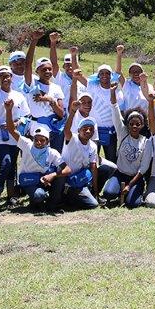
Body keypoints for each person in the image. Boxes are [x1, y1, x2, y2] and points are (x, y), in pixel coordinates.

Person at [0, 50, 30, 209]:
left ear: (11, 77)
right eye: (1, 76)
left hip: (15, 137)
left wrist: (16, 123)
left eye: (7, 75)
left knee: (12, 166)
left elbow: (27, 116)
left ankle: (11, 197)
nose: (4, 78)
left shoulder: (19, 96)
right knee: (6, 163)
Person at [4, 101, 63, 211]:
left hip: (44, 179)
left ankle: (53, 203)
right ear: (33, 139)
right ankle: (37, 199)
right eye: (36, 139)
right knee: (39, 195)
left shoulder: (52, 152)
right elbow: (12, 130)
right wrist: (8, 111)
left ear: (48, 141)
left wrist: (53, 175)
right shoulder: (27, 145)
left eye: (42, 140)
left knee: (60, 173)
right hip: (29, 180)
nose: (39, 142)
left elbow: (67, 169)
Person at [100, 83, 151, 208]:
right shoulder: (123, 134)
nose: (134, 126)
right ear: (127, 124)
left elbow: (143, 168)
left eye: (137, 124)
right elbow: (115, 110)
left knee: (132, 204)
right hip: (120, 174)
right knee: (108, 193)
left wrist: (130, 185)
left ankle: (134, 192)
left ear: (142, 125)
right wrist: (112, 93)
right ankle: (117, 190)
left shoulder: (146, 142)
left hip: (135, 177)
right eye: (131, 123)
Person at [58, 79, 101, 211]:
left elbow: (94, 167)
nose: (88, 131)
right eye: (85, 129)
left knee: (93, 203)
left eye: (90, 129)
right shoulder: (73, 138)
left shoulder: (92, 145)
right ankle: (67, 195)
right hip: (66, 175)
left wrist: (96, 191)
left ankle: (81, 192)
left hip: (80, 175)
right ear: (79, 130)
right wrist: (72, 111)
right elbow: (66, 130)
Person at [23, 30, 66, 151]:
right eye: (43, 70)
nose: (47, 72)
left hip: (55, 128)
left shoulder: (56, 88)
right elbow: (27, 64)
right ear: (37, 71)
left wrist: (50, 100)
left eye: (49, 69)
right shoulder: (32, 84)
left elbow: (61, 113)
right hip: (38, 128)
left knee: (55, 158)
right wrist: (34, 41)